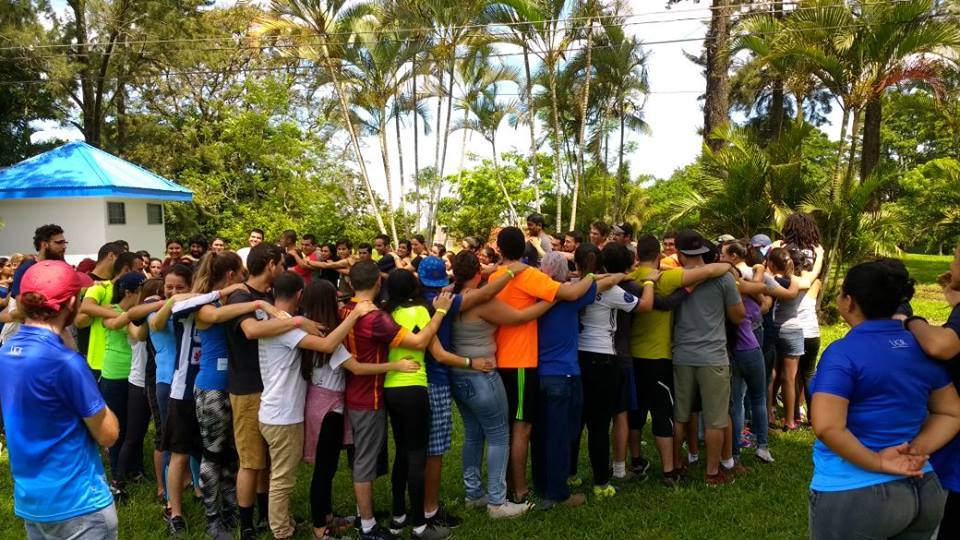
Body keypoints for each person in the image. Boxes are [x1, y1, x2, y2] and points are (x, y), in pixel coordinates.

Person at [808, 260, 960, 540]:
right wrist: (916, 451)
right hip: (923, 487)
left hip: (854, 493)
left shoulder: (843, 353)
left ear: (849, 302)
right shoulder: (920, 348)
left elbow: (827, 426)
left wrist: (878, 462)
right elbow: (951, 412)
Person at [0, 260, 119, 539]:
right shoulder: (66, 363)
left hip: (33, 501)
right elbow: (108, 434)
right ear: (71, 303)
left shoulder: (5, 354)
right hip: (80, 506)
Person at [338, 260, 452, 540]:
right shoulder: (378, 317)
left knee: (398, 453)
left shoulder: (349, 310)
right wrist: (439, 311)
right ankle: (414, 526)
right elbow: (418, 343)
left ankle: (397, 515)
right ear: (378, 281)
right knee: (406, 457)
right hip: (384, 391)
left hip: (378, 392)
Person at [257, 271, 375, 540]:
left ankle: (323, 517)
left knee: (323, 468)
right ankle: (315, 527)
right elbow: (330, 346)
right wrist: (356, 315)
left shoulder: (295, 325)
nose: (340, 304)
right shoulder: (295, 328)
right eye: (335, 300)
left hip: (304, 407)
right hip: (307, 410)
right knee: (308, 472)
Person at [488, 227, 597, 503]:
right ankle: (521, 491)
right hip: (521, 361)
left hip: (500, 360)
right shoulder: (528, 275)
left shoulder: (495, 277)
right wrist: (593, 275)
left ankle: (515, 483)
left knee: (510, 426)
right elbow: (569, 294)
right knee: (522, 427)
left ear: (499, 250)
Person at [449, 251, 554, 518]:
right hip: (483, 375)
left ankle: (473, 493)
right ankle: (497, 501)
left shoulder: (448, 295)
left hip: (458, 373)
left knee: (473, 436)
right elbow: (519, 318)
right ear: (478, 273)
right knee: (498, 436)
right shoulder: (483, 302)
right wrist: (549, 300)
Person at [224, 243, 313, 539]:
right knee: (250, 461)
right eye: (283, 265)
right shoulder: (242, 295)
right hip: (248, 387)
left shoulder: (268, 296)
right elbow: (250, 331)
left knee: (269, 461)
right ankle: (246, 524)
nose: (285, 270)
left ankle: (267, 513)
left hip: (271, 387)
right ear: (272, 263)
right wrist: (297, 322)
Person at [573, 243, 658, 497]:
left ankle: (571, 474)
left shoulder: (575, 287)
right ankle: (601, 484)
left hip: (578, 357)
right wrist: (650, 282)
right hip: (604, 358)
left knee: (576, 422)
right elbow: (644, 306)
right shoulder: (610, 290)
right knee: (599, 425)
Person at [671, 230, 746, 486]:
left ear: (679, 254)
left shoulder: (675, 278)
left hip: (681, 354)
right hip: (713, 355)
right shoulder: (723, 279)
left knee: (681, 414)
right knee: (715, 417)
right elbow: (738, 315)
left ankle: (676, 464)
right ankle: (713, 472)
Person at [0, 224, 68, 345]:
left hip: (51, 337)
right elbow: (21, 311)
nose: (64, 247)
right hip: (20, 340)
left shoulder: (62, 267)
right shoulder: (27, 268)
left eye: (64, 242)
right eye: (59, 243)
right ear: (44, 244)